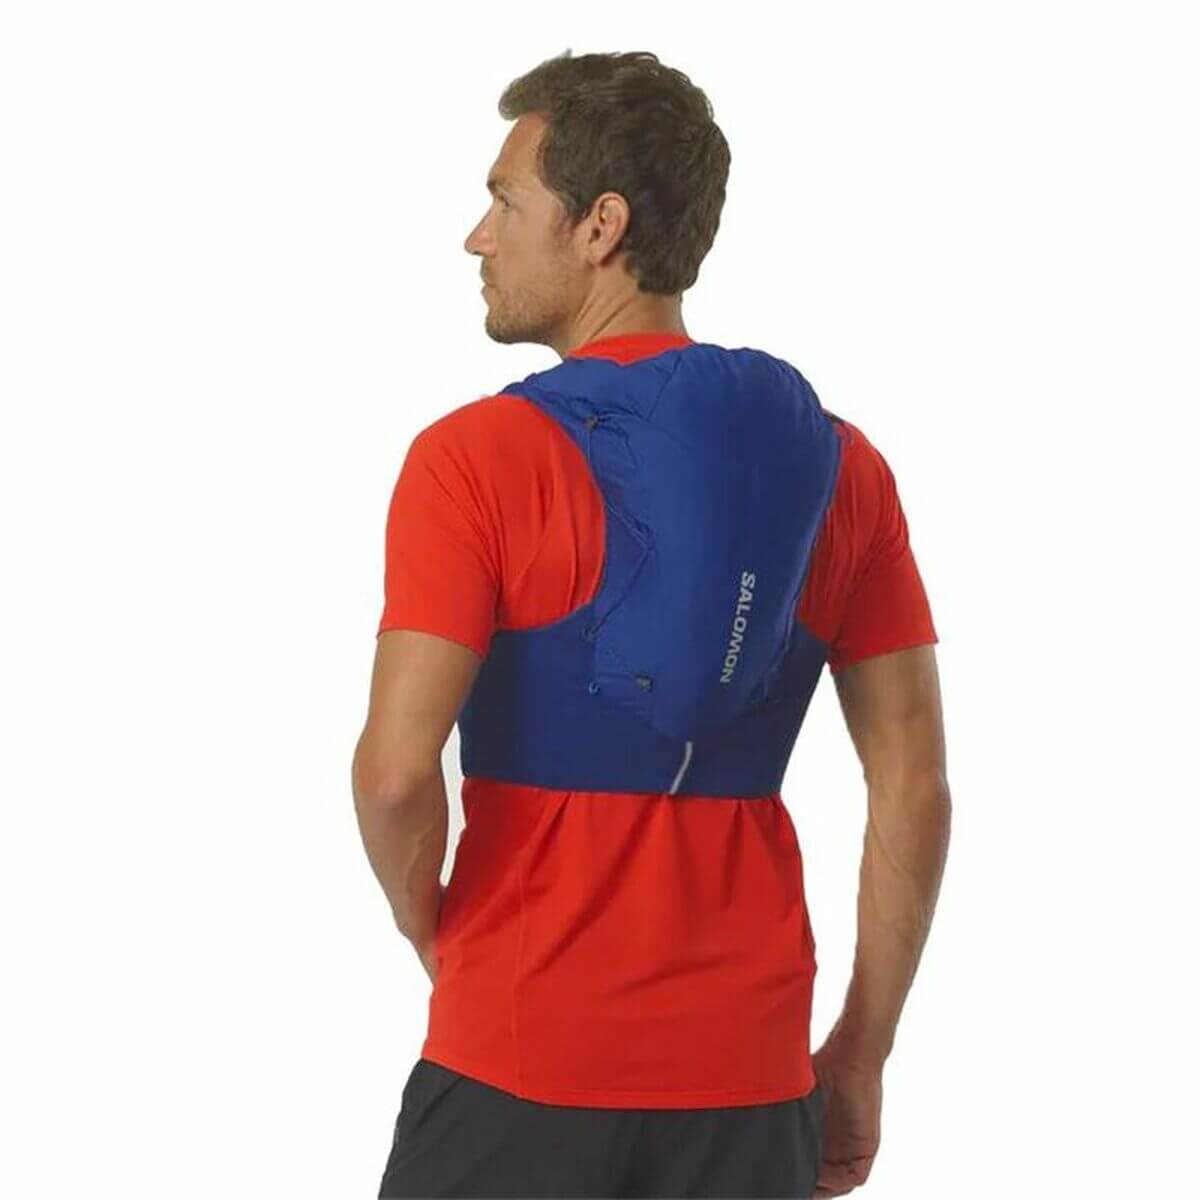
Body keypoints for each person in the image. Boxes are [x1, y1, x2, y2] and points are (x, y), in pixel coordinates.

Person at [352, 49, 951, 1200]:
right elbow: (914, 784)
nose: (478, 237)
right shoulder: (845, 470)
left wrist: (440, 936)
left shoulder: (473, 460)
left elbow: (391, 775)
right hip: (750, 1084)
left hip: (519, 1058)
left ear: (600, 227)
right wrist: (862, 1051)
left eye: (505, 201)